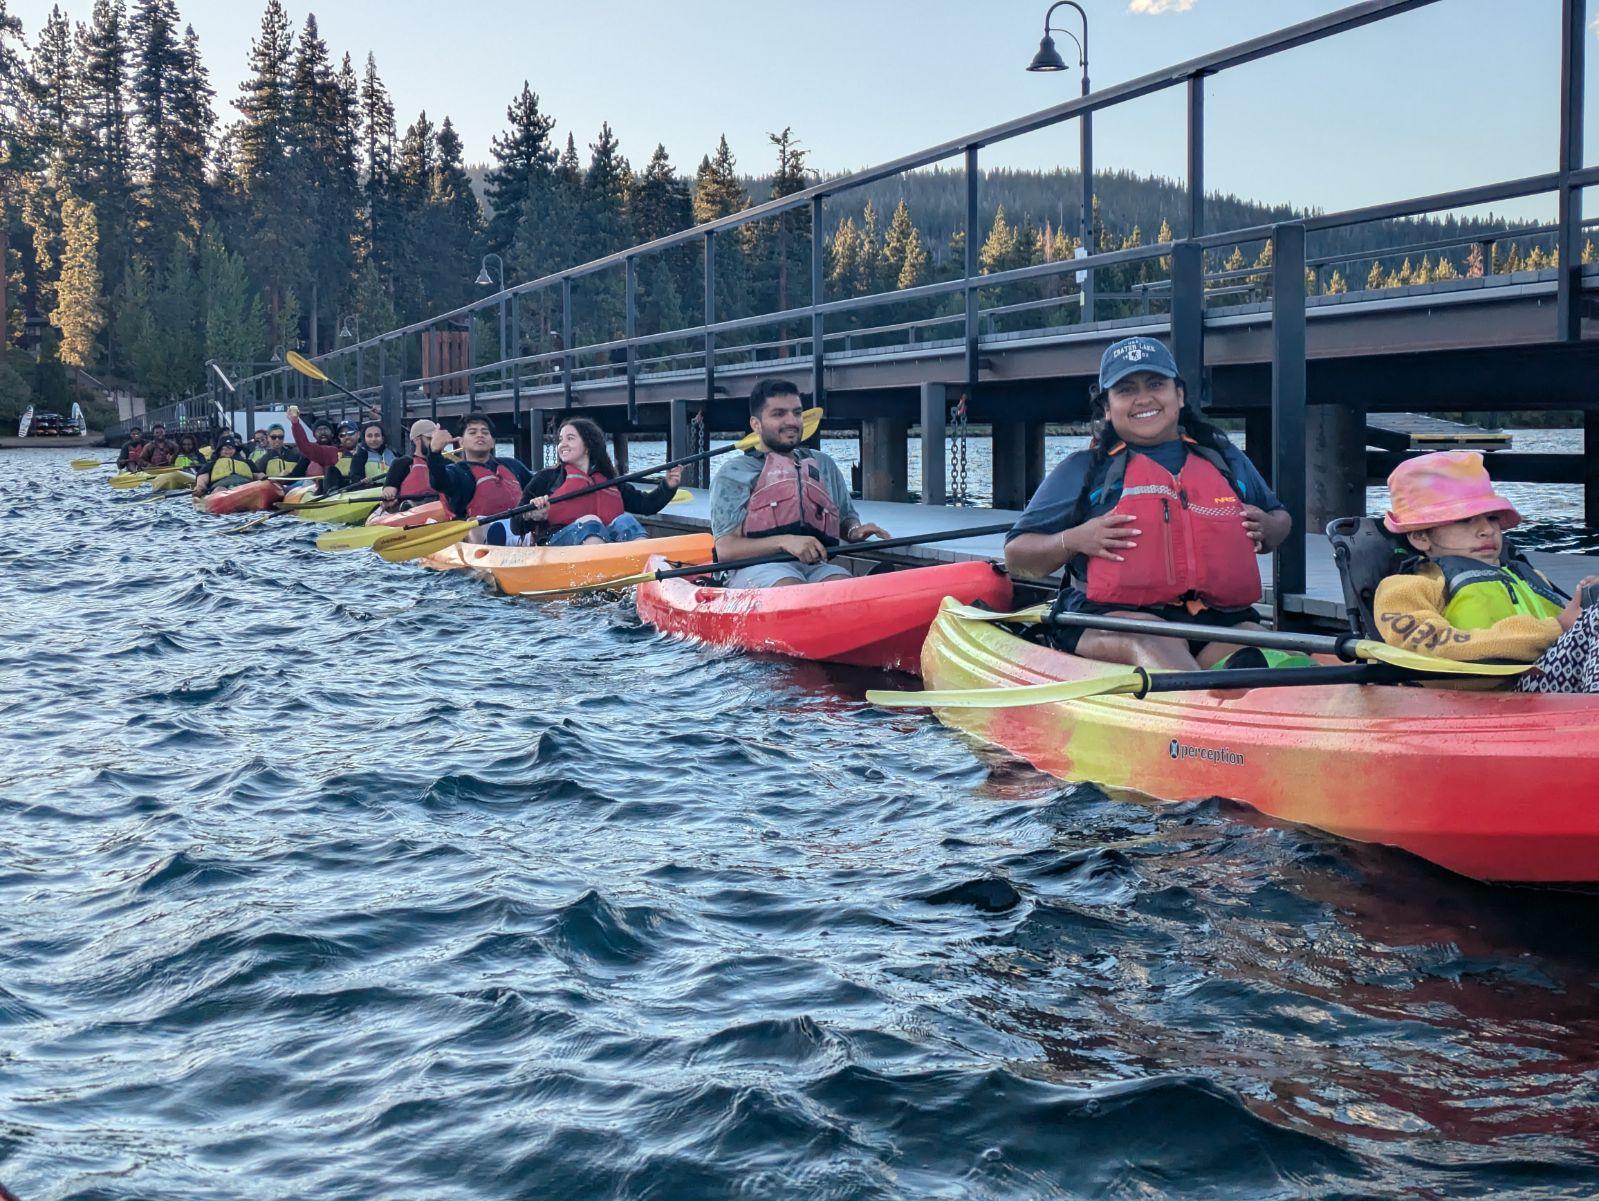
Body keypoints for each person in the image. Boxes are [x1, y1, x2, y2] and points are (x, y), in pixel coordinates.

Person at [1005, 336, 1292, 670]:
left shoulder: (1222, 459)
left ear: (1179, 395)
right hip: (1112, 623)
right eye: (1126, 390)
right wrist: (1072, 539)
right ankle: (1197, 703)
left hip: (1216, 622)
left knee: (1268, 651)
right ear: (1108, 408)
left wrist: (1270, 528)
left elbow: (1279, 516)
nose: (1143, 399)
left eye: (1155, 384)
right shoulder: (1085, 470)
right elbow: (1016, 557)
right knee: (1155, 642)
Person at [1373, 451, 1599, 693]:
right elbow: (1434, 648)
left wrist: (1586, 602)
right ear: (1420, 536)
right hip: (1492, 694)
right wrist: (1557, 627)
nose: (1487, 530)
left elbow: (1571, 630)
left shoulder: (1525, 575)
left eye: (1491, 518)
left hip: (1549, 680)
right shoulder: (1407, 586)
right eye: (1464, 520)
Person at [708, 378, 887, 587]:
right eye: (778, 414)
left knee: (840, 583)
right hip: (754, 569)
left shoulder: (823, 464)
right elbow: (726, 550)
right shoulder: (734, 473)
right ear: (756, 424)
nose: (791, 421)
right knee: (789, 584)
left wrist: (854, 531)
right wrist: (785, 542)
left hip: (815, 566)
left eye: (796, 413)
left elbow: (846, 519)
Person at [510, 416, 681, 546]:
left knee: (625, 521)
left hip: (603, 546)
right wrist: (531, 514)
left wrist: (668, 486)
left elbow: (646, 505)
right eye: (560, 439)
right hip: (556, 546)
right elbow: (516, 526)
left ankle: (643, 567)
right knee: (590, 522)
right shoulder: (546, 478)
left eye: (570, 438)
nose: (562, 444)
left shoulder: (608, 481)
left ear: (588, 445)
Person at [426, 413, 533, 539]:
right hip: (480, 539)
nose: (480, 435)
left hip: (519, 530)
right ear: (461, 442)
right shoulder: (458, 472)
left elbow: (538, 486)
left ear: (492, 442)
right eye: (472, 432)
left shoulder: (512, 465)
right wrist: (434, 452)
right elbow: (439, 481)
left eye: (485, 432)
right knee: (475, 526)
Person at [381, 419, 442, 511]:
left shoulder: (445, 464)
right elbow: (389, 491)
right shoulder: (401, 464)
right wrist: (388, 497)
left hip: (437, 510)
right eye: (430, 439)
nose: (435, 442)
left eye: (436, 438)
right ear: (417, 440)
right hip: (410, 510)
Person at [191, 436, 262, 495]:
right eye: (224, 449)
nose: (227, 451)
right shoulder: (211, 464)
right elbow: (202, 478)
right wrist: (200, 487)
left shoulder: (247, 462)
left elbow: (257, 475)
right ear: (219, 451)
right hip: (220, 489)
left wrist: (264, 478)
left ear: (235, 450)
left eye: (230, 448)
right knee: (220, 490)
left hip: (245, 486)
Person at [285, 407, 341, 482]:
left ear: (332, 434)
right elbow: (304, 445)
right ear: (314, 435)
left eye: (325, 429)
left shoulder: (338, 450)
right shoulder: (312, 453)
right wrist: (295, 424)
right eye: (319, 430)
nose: (323, 432)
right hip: (314, 487)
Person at [347, 421, 396, 486]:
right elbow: (355, 477)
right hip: (369, 493)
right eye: (369, 436)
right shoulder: (359, 456)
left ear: (383, 439)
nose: (373, 439)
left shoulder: (393, 454)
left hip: (392, 492)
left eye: (377, 435)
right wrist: (363, 481)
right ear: (364, 439)